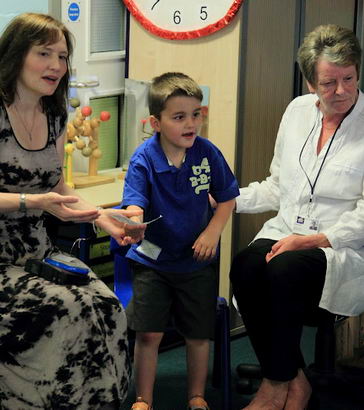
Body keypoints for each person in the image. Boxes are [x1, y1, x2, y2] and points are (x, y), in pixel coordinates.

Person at [0, 13, 145, 410]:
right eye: (43, 53)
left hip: (37, 253)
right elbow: (44, 197)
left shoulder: (56, 114)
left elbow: (59, 188)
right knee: (62, 308)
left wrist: (105, 218)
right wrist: (34, 202)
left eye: (62, 56)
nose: (55, 66)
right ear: (15, 55)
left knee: (105, 306)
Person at [230, 23, 364, 410]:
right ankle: (295, 378)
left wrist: (309, 241)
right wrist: (226, 200)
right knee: (245, 267)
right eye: (327, 83)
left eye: (349, 79)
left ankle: (274, 385)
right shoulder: (296, 113)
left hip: (340, 245)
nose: (340, 91)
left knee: (283, 269)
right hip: (286, 230)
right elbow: (278, 186)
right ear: (309, 83)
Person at [120, 72, 239, 410]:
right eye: (179, 117)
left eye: (196, 114)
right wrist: (133, 222)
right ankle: (144, 399)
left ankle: (196, 396)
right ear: (155, 123)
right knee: (149, 334)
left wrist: (213, 231)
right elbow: (134, 203)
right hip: (152, 263)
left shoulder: (206, 153)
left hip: (195, 263)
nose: (191, 124)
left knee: (198, 334)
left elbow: (227, 197)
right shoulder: (143, 158)